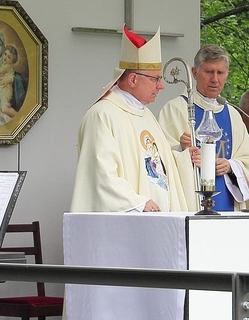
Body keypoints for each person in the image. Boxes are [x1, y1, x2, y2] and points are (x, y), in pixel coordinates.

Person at [70, 26, 189, 212]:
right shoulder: (102, 115)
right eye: (156, 79)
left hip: (157, 221)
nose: (161, 86)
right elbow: (100, 174)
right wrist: (137, 202)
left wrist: (185, 158)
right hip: (129, 221)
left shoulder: (147, 115)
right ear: (133, 79)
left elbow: (157, 166)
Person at [158, 44, 249, 211]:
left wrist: (230, 166)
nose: (215, 79)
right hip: (191, 205)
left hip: (228, 204)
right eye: (209, 72)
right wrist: (181, 150)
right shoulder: (175, 109)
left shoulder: (233, 114)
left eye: (220, 73)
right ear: (194, 73)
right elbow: (159, 161)